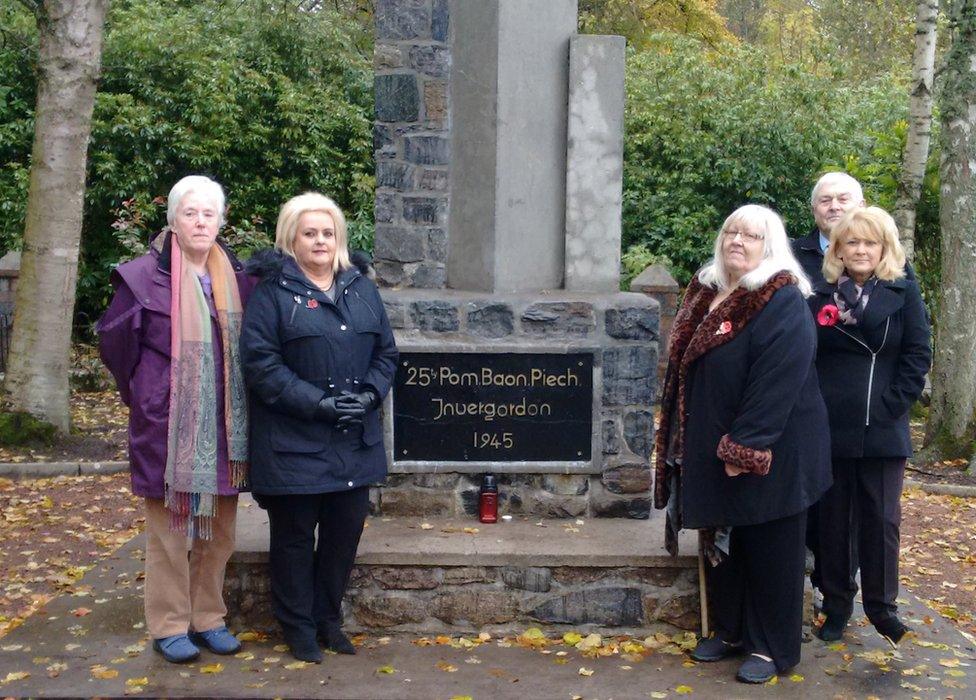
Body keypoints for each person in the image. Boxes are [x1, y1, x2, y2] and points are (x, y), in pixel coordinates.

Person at [654, 204, 832, 684]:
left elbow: (779, 379)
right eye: (731, 231)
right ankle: (729, 630)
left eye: (750, 235)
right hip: (710, 440)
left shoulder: (782, 298)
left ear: (769, 245)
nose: (737, 240)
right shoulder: (707, 289)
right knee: (722, 542)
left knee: (769, 546)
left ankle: (771, 648)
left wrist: (745, 446)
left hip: (771, 447)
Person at [97, 175, 252, 663]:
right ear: (174, 221)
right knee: (168, 532)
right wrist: (148, 393)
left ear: (221, 221)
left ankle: (208, 617)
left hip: (226, 423)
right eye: (191, 213)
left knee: (220, 529)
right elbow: (116, 348)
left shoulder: (239, 277)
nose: (201, 221)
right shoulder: (141, 277)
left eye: (209, 213)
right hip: (167, 423)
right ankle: (168, 624)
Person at [240, 192, 398, 663]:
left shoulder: (361, 288)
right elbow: (262, 366)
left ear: (339, 238)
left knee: (343, 534)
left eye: (327, 233)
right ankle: (298, 626)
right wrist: (320, 404)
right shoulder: (272, 293)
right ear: (292, 238)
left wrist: (370, 395)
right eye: (310, 233)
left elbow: (386, 354)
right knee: (292, 539)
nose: (320, 241)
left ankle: (328, 619)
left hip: (353, 438)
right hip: (294, 443)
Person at [810, 206, 931, 646]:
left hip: (882, 425)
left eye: (869, 243)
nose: (861, 250)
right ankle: (837, 604)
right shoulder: (819, 295)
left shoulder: (903, 290)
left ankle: (883, 608)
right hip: (830, 424)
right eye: (852, 242)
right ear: (838, 249)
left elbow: (918, 353)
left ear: (884, 248)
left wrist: (891, 405)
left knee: (881, 521)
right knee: (834, 522)